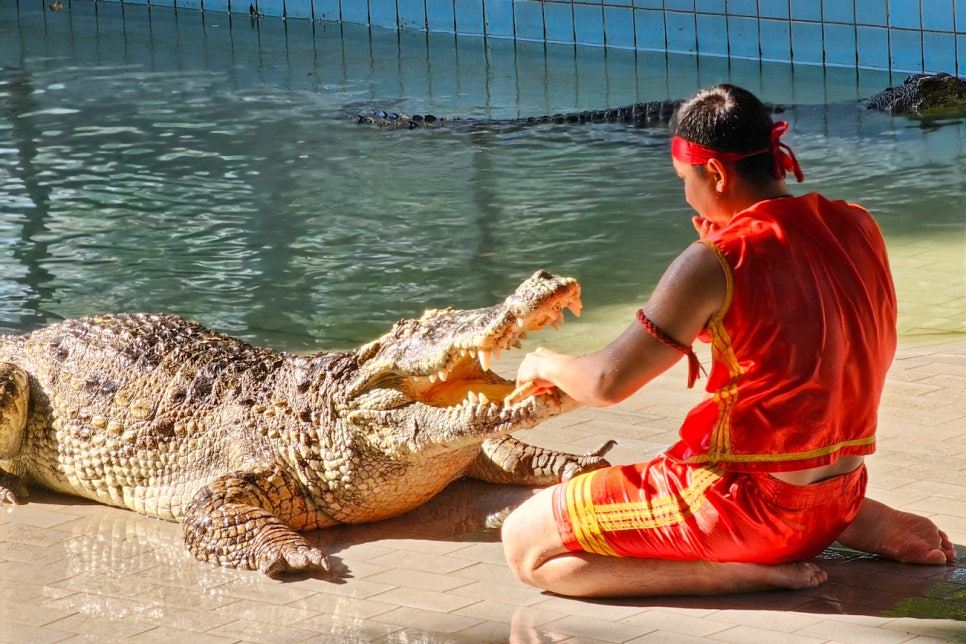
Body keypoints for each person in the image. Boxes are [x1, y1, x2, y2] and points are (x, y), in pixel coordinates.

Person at [501, 84, 957, 598]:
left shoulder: (715, 259)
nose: (686, 196)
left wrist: (546, 363)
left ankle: (732, 571)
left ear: (715, 173)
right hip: (842, 494)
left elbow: (608, 382)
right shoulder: (857, 223)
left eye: (685, 181)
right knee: (706, 450)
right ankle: (856, 522)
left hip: (748, 514)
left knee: (525, 544)